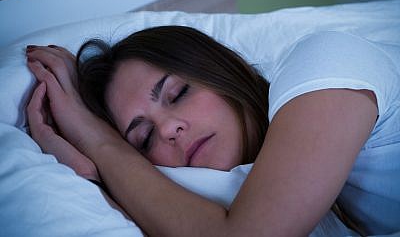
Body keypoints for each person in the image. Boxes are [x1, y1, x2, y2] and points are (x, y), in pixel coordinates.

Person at [25, 26, 400, 236]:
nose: (170, 129)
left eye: (178, 93)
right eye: (144, 138)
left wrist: (98, 140)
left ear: (222, 69)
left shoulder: (323, 66)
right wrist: (91, 173)